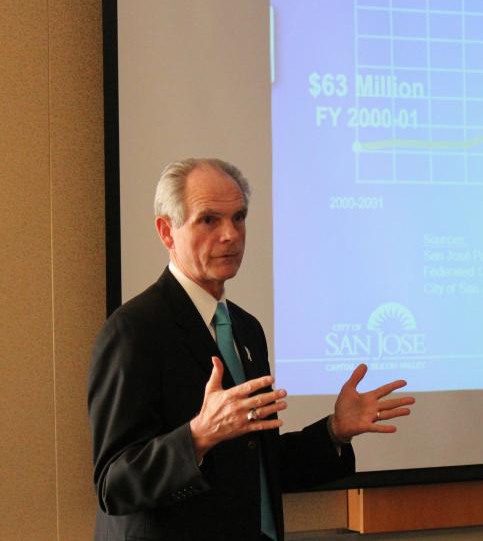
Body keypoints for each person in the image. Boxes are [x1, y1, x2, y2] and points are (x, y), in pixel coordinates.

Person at [88, 158, 414, 540]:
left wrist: (334, 432)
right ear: (166, 231)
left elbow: (254, 464)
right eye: (209, 220)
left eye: (239, 218)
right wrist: (197, 435)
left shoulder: (245, 328)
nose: (230, 234)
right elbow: (114, 484)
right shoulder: (133, 331)